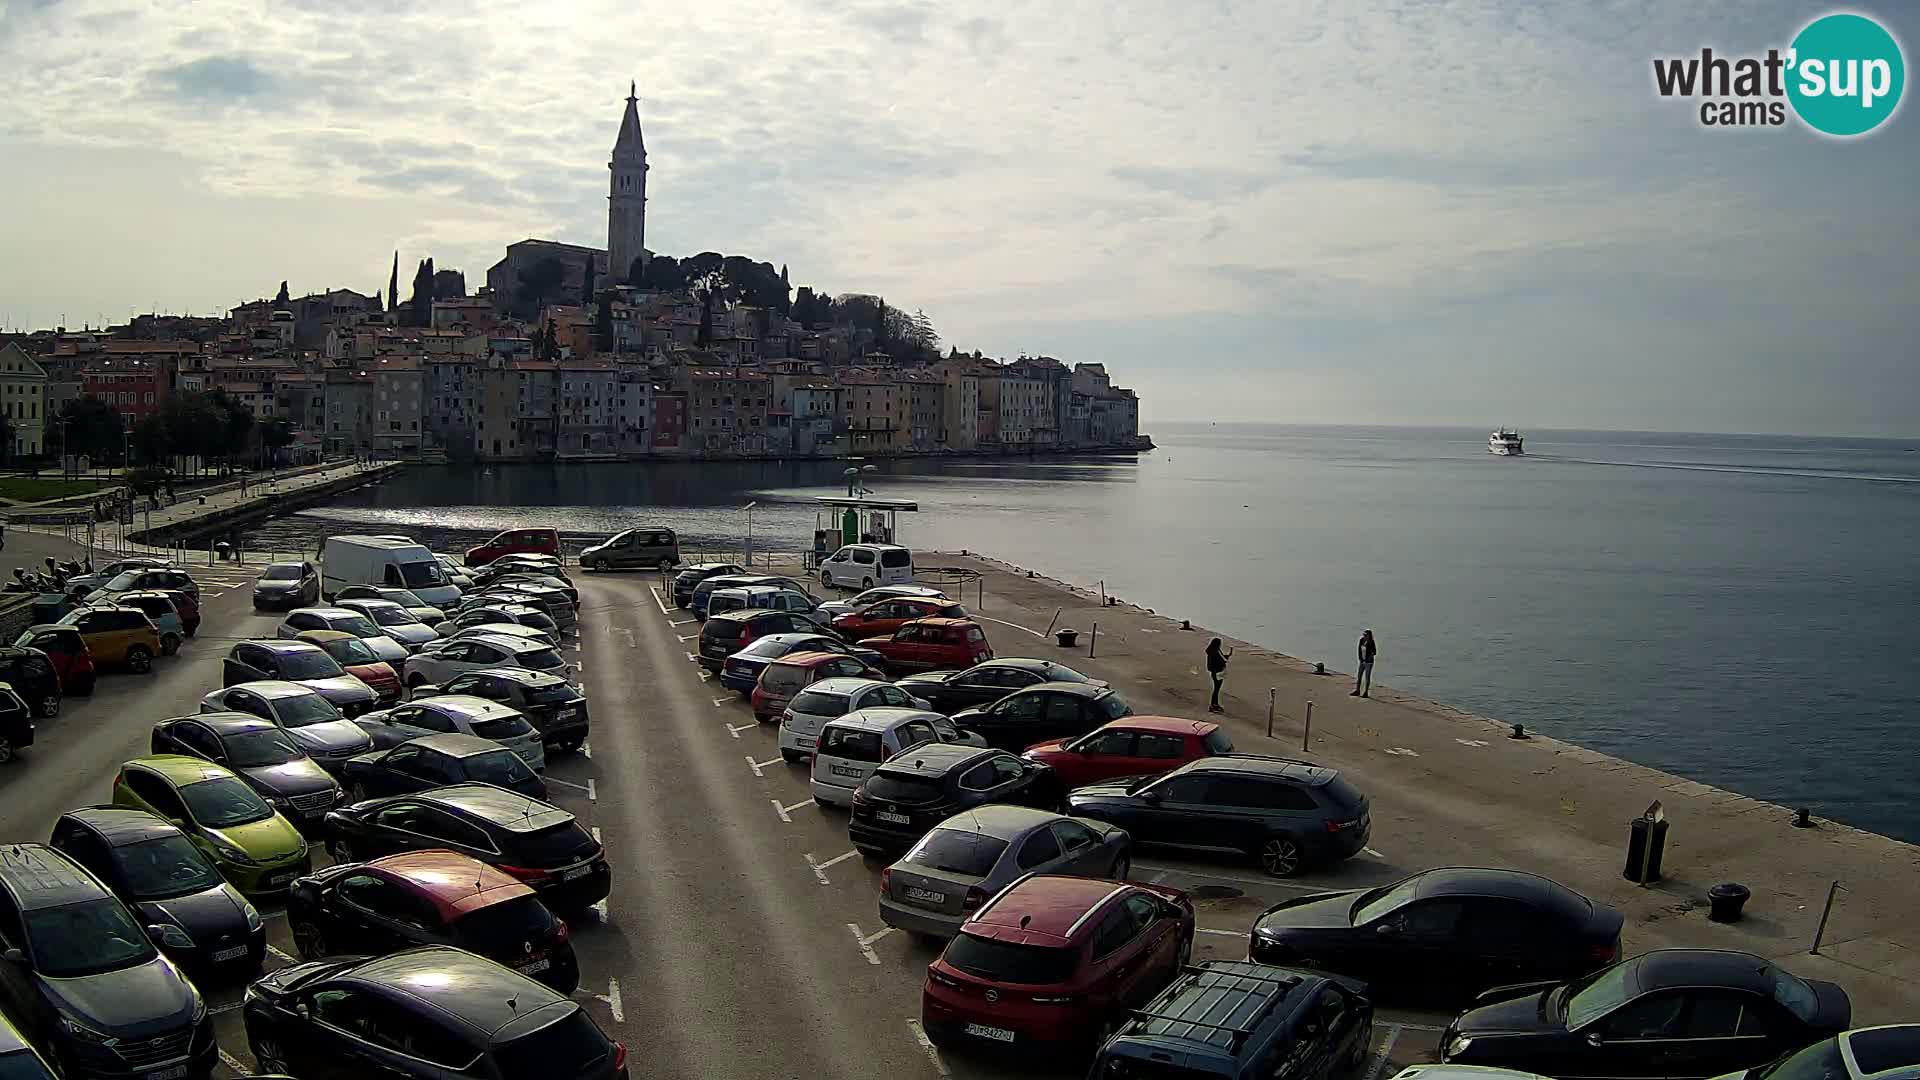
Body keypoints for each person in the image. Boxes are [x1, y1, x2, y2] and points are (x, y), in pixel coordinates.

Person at [1205, 638, 1232, 713]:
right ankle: (1213, 705)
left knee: (1216, 689)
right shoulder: (1215, 652)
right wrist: (1225, 659)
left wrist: (1225, 657)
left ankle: (1215, 704)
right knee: (1216, 689)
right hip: (1218, 672)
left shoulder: (1211, 651)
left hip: (1214, 672)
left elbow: (1220, 659)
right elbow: (1220, 661)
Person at [1352, 629, 1377, 697]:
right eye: (1364, 634)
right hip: (1362, 661)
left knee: (1367, 677)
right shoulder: (1361, 640)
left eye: (1366, 635)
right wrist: (1360, 659)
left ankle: (1366, 692)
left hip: (1369, 662)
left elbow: (1374, 652)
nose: (1364, 636)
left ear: (1369, 635)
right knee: (1359, 675)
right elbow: (1359, 650)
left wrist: (1368, 658)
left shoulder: (1371, 642)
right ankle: (1357, 690)